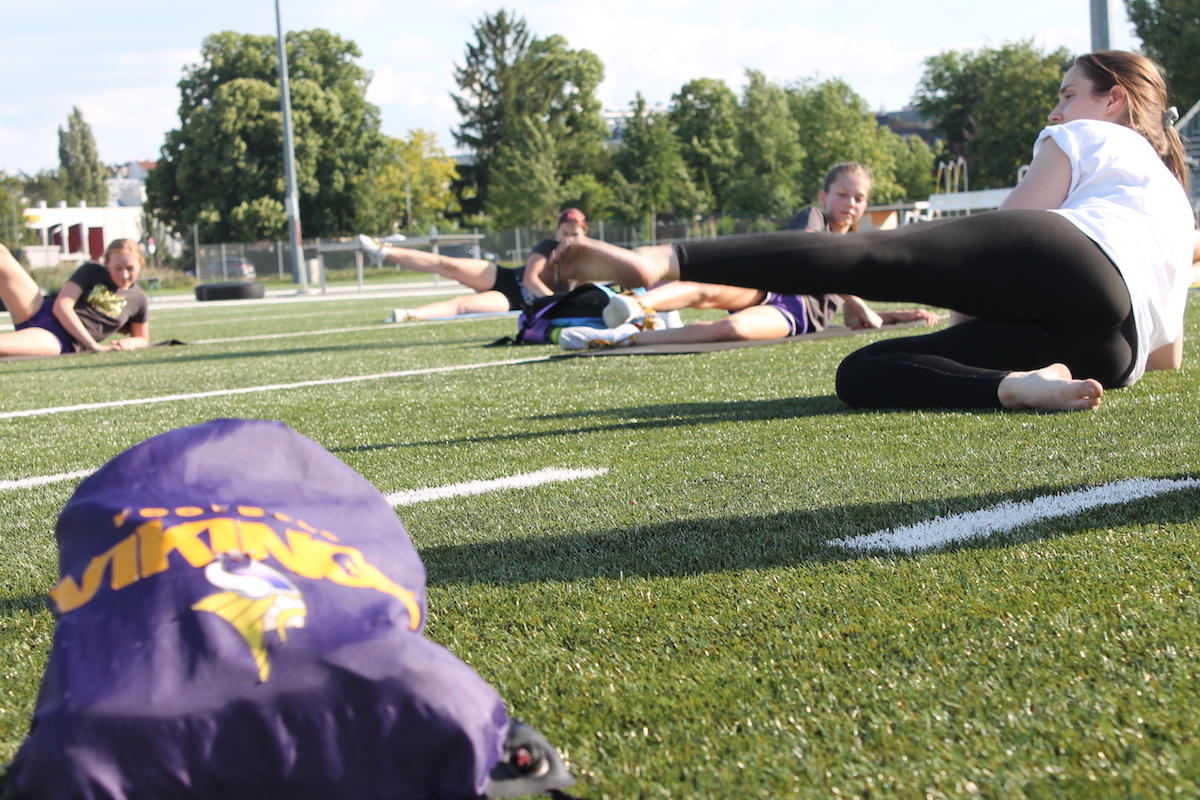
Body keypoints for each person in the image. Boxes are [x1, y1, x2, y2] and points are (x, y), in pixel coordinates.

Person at [550, 51, 1195, 412]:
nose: (1056, 109)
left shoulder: (1085, 136)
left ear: (1111, 100)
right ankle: (1017, 389)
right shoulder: (1176, 199)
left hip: (1080, 269)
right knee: (863, 372)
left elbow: (1009, 234)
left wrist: (956, 299)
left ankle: (662, 259)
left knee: (875, 252)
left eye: (1069, 93)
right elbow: (1171, 355)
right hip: (1115, 355)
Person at [557, 163, 939, 350]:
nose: (850, 204)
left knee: (732, 331)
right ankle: (633, 302)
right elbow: (813, 257)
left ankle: (621, 338)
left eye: (859, 198)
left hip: (797, 312)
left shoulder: (861, 246)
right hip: (772, 286)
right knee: (702, 287)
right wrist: (855, 296)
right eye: (843, 194)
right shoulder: (814, 218)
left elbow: (854, 313)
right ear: (824, 196)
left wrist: (898, 316)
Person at [357, 209, 588, 321]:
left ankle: (410, 315)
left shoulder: (586, 261)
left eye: (574, 234)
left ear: (584, 234)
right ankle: (383, 251)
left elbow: (585, 293)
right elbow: (530, 279)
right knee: (447, 264)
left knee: (462, 306)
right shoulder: (547, 245)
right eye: (565, 233)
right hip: (507, 278)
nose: (568, 239)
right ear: (557, 231)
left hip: (515, 300)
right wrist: (557, 303)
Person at [0, 238, 150, 357]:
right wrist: (93, 346)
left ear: (141, 264)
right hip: (39, 310)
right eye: (117, 268)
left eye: (130, 269)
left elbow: (142, 338)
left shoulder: (139, 298)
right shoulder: (92, 271)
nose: (124, 274)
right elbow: (62, 306)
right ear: (107, 263)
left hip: (59, 338)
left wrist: (131, 342)